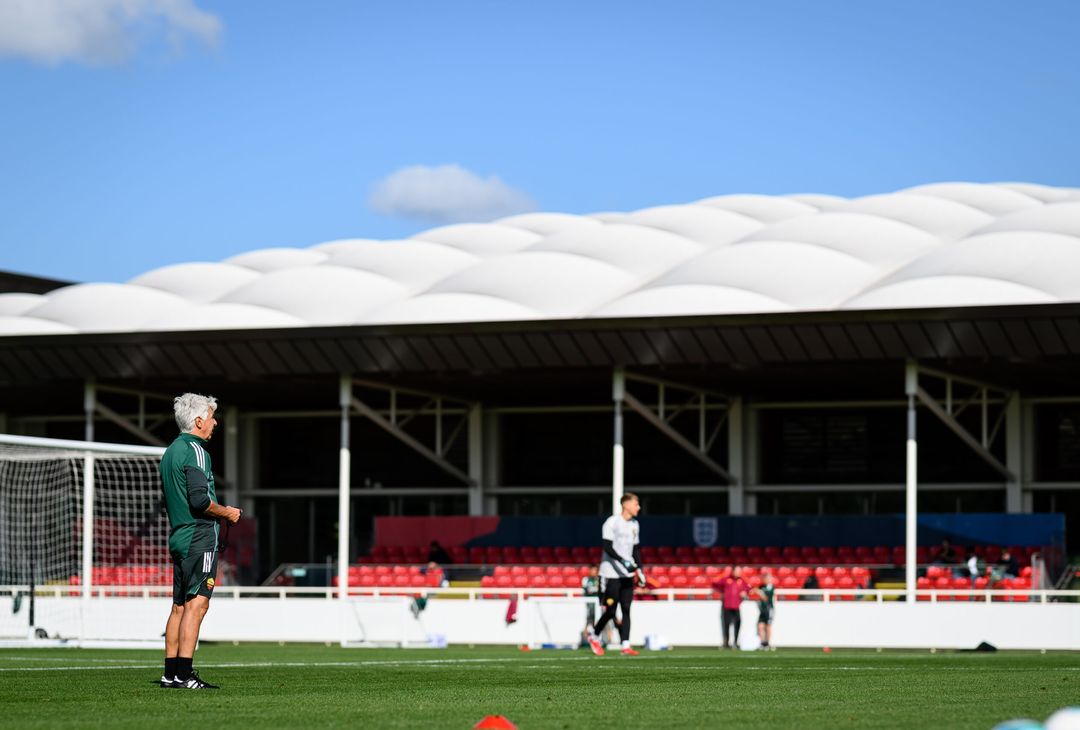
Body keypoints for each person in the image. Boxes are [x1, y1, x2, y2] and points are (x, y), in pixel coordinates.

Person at [159, 393, 242, 690]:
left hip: (179, 536)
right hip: (199, 535)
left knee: (179, 606)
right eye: (211, 416)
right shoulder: (196, 451)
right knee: (198, 605)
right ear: (198, 421)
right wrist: (228, 513)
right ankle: (184, 674)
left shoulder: (170, 452)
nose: (214, 422)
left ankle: (170, 674)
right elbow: (199, 499)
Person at [587, 492, 646, 657]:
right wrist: (623, 562)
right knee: (611, 611)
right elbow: (607, 547)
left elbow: (635, 550)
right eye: (636, 504)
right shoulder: (612, 522)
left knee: (626, 608)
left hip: (627, 575)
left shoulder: (635, 525)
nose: (638, 508)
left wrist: (639, 570)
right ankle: (594, 634)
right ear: (626, 505)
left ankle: (625, 645)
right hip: (610, 574)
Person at [715, 566, 750, 649]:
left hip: (736, 606)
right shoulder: (726, 579)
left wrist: (745, 593)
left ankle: (736, 642)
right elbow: (715, 583)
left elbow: (749, 587)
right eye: (737, 571)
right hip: (726, 606)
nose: (738, 573)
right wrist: (720, 593)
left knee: (738, 624)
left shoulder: (742, 580)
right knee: (726, 625)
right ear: (733, 571)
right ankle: (726, 643)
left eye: (739, 571)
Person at [754, 571, 776, 651]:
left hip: (769, 609)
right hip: (762, 610)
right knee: (760, 626)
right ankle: (762, 643)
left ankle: (768, 643)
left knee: (768, 626)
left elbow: (766, 598)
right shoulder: (761, 586)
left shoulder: (771, 587)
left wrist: (761, 593)